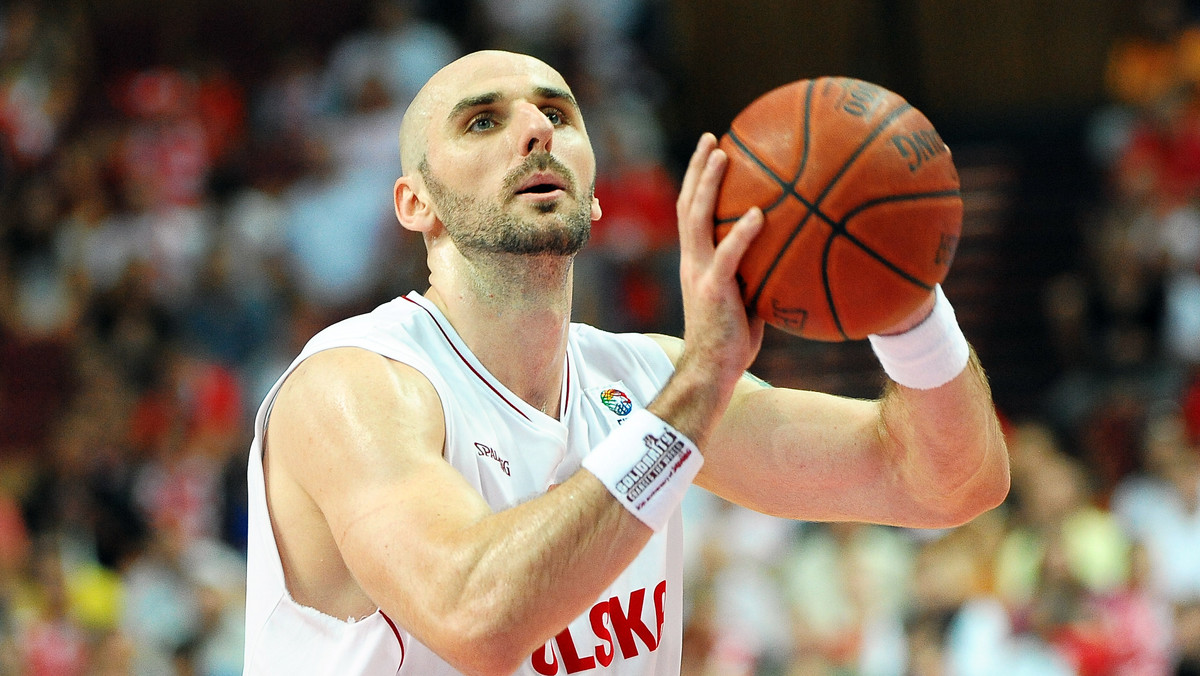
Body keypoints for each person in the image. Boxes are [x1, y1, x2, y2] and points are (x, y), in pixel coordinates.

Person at [241, 50, 1010, 676]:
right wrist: (701, 382)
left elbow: (947, 481)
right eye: (482, 121)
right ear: (416, 204)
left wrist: (904, 298)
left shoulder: (645, 380)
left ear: (595, 185)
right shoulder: (353, 384)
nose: (535, 131)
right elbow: (476, 620)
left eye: (558, 112)